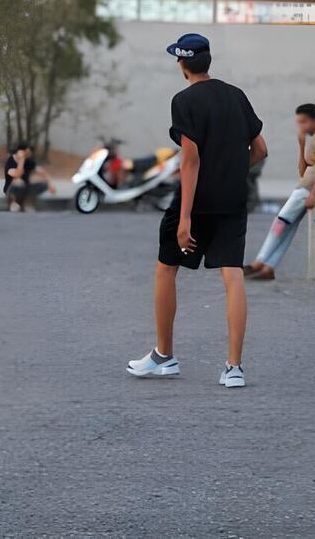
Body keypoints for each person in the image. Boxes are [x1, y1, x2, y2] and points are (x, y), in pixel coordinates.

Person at [127, 34, 268, 389]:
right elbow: (261, 149)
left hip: (198, 201)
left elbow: (189, 161)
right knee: (232, 275)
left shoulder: (184, 100)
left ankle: (164, 356)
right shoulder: (236, 96)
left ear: (183, 64)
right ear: (207, 61)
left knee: (166, 268)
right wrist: (233, 173)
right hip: (233, 200)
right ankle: (234, 368)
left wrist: (185, 217)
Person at [245, 103, 315, 280]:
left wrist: (312, 194)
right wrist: (301, 146)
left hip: (305, 191)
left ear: (313, 120)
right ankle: (269, 267)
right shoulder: (314, 141)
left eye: (303, 122)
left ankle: (259, 262)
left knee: (279, 224)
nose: (300, 127)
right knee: (289, 228)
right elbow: (303, 171)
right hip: (305, 187)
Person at [3, 143, 55, 212]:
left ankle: (27, 202)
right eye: (27, 151)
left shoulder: (28, 162)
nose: (29, 152)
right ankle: (14, 203)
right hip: (12, 189)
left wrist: (50, 184)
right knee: (18, 183)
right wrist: (21, 161)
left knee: (43, 184)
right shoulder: (11, 162)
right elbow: (16, 176)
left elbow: (42, 172)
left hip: (25, 187)